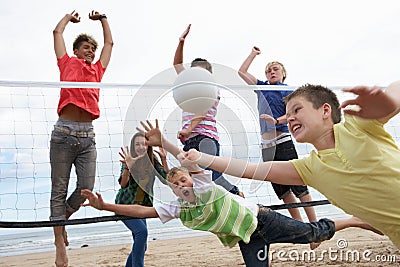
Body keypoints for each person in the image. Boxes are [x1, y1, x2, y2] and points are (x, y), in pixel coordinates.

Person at [81, 120, 382, 266]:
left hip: (263, 221)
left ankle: (355, 220)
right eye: (176, 185)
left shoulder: (202, 184)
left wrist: (165, 144)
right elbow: (142, 211)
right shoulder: (179, 208)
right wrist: (106, 205)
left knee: (314, 235)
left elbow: (188, 160)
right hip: (246, 237)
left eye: (183, 180)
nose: (182, 185)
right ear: (172, 190)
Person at [181, 82, 400, 248]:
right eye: (287, 115)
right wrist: (202, 158)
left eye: (297, 110)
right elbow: (252, 170)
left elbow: (395, 91)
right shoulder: (309, 169)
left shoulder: (357, 127)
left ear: (325, 111)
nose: (290, 119)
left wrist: (388, 102)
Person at [51, 10, 113, 267]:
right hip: (63, 133)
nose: (90, 51)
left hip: (88, 135)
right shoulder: (67, 62)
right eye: (85, 47)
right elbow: (57, 33)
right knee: (59, 190)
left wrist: (103, 19)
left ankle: (61, 221)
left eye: (92, 49)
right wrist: (67, 17)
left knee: (85, 188)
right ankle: (58, 243)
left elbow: (109, 44)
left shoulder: (97, 71)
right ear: (76, 51)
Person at [238, 47, 319, 237]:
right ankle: (302, 229)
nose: (271, 72)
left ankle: (315, 225)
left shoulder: (288, 90)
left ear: (283, 73)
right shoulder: (262, 87)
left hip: (282, 140)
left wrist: (277, 121)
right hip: (266, 147)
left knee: (299, 185)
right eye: (268, 70)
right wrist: (252, 54)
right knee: (283, 192)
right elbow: (241, 73)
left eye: (275, 69)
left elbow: (296, 113)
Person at [173, 24, 243, 197]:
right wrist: (181, 41)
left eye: (201, 73)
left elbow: (202, 110)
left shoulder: (211, 88)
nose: (196, 75)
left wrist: (188, 129)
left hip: (206, 138)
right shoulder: (189, 87)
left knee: (209, 177)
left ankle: (237, 195)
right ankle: (229, 204)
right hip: (190, 141)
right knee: (203, 179)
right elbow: (177, 64)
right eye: (193, 72)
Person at [116, 132, 168, 267]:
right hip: (125, 206)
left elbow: (166, 180)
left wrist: (163, 159)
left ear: (148, 146)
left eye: (144, 144)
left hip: (142, 208)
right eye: (137, 144)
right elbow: (123, 183)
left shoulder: (152, 160)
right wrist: (128, 167)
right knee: (141, 232)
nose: (141, 147)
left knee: (142, 246)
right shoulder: (129, 159)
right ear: (133, 146)